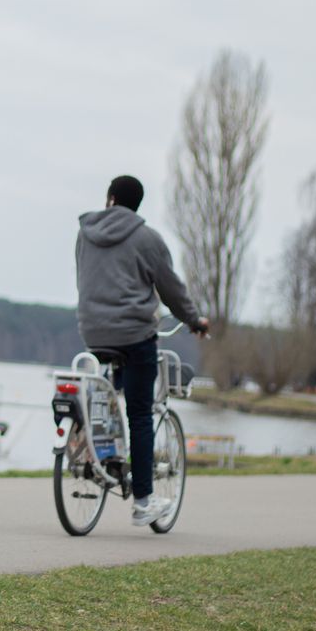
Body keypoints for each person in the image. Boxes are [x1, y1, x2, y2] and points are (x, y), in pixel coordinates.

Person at [75, 175, 208, 527]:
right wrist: (194, 320)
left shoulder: (85, 232)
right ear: (137, 204)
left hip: (93, 330)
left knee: (107, 390)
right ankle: (144, 501)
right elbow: (171, 289)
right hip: (135, 333)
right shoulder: (147, 238)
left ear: (110, 198)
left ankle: (98, 448)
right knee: (139, 412)